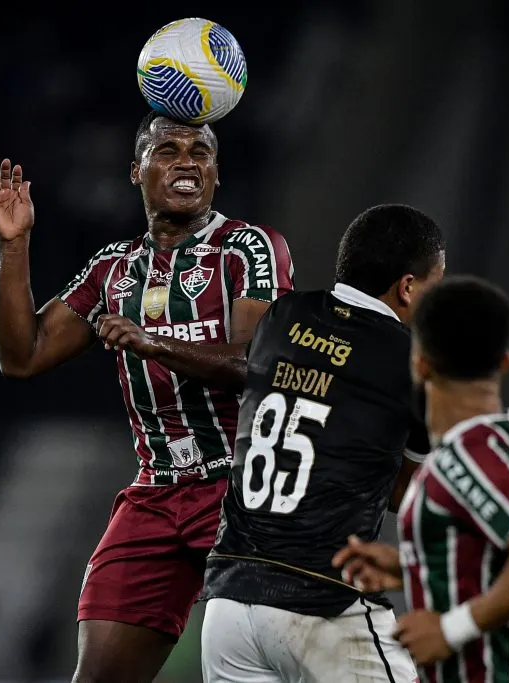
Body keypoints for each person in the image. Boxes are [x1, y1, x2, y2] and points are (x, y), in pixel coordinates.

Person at [0, 110, 294, 683]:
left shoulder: (249, 248)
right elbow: (22, 358)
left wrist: (155, 344)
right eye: (167, 150)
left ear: (216, 173)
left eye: (200, 153)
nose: (186, 163)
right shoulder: (113, 268)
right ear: (136, 171)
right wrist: (15, 246)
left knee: (268, 667)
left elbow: (259, 364)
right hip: (156, 495)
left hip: (243, 487)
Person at [201, 204, 446, 683]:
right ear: (409, 286)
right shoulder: (412, 360)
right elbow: (421, 492)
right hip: (322, 603)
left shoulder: (281, 316)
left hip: (228, 602)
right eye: (437, 280)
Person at [333, 276, 509, 683]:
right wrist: (416, 566)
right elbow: (496, 557)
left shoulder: (466, 456)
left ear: (420, 363)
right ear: (504, 362)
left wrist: (451, 629)